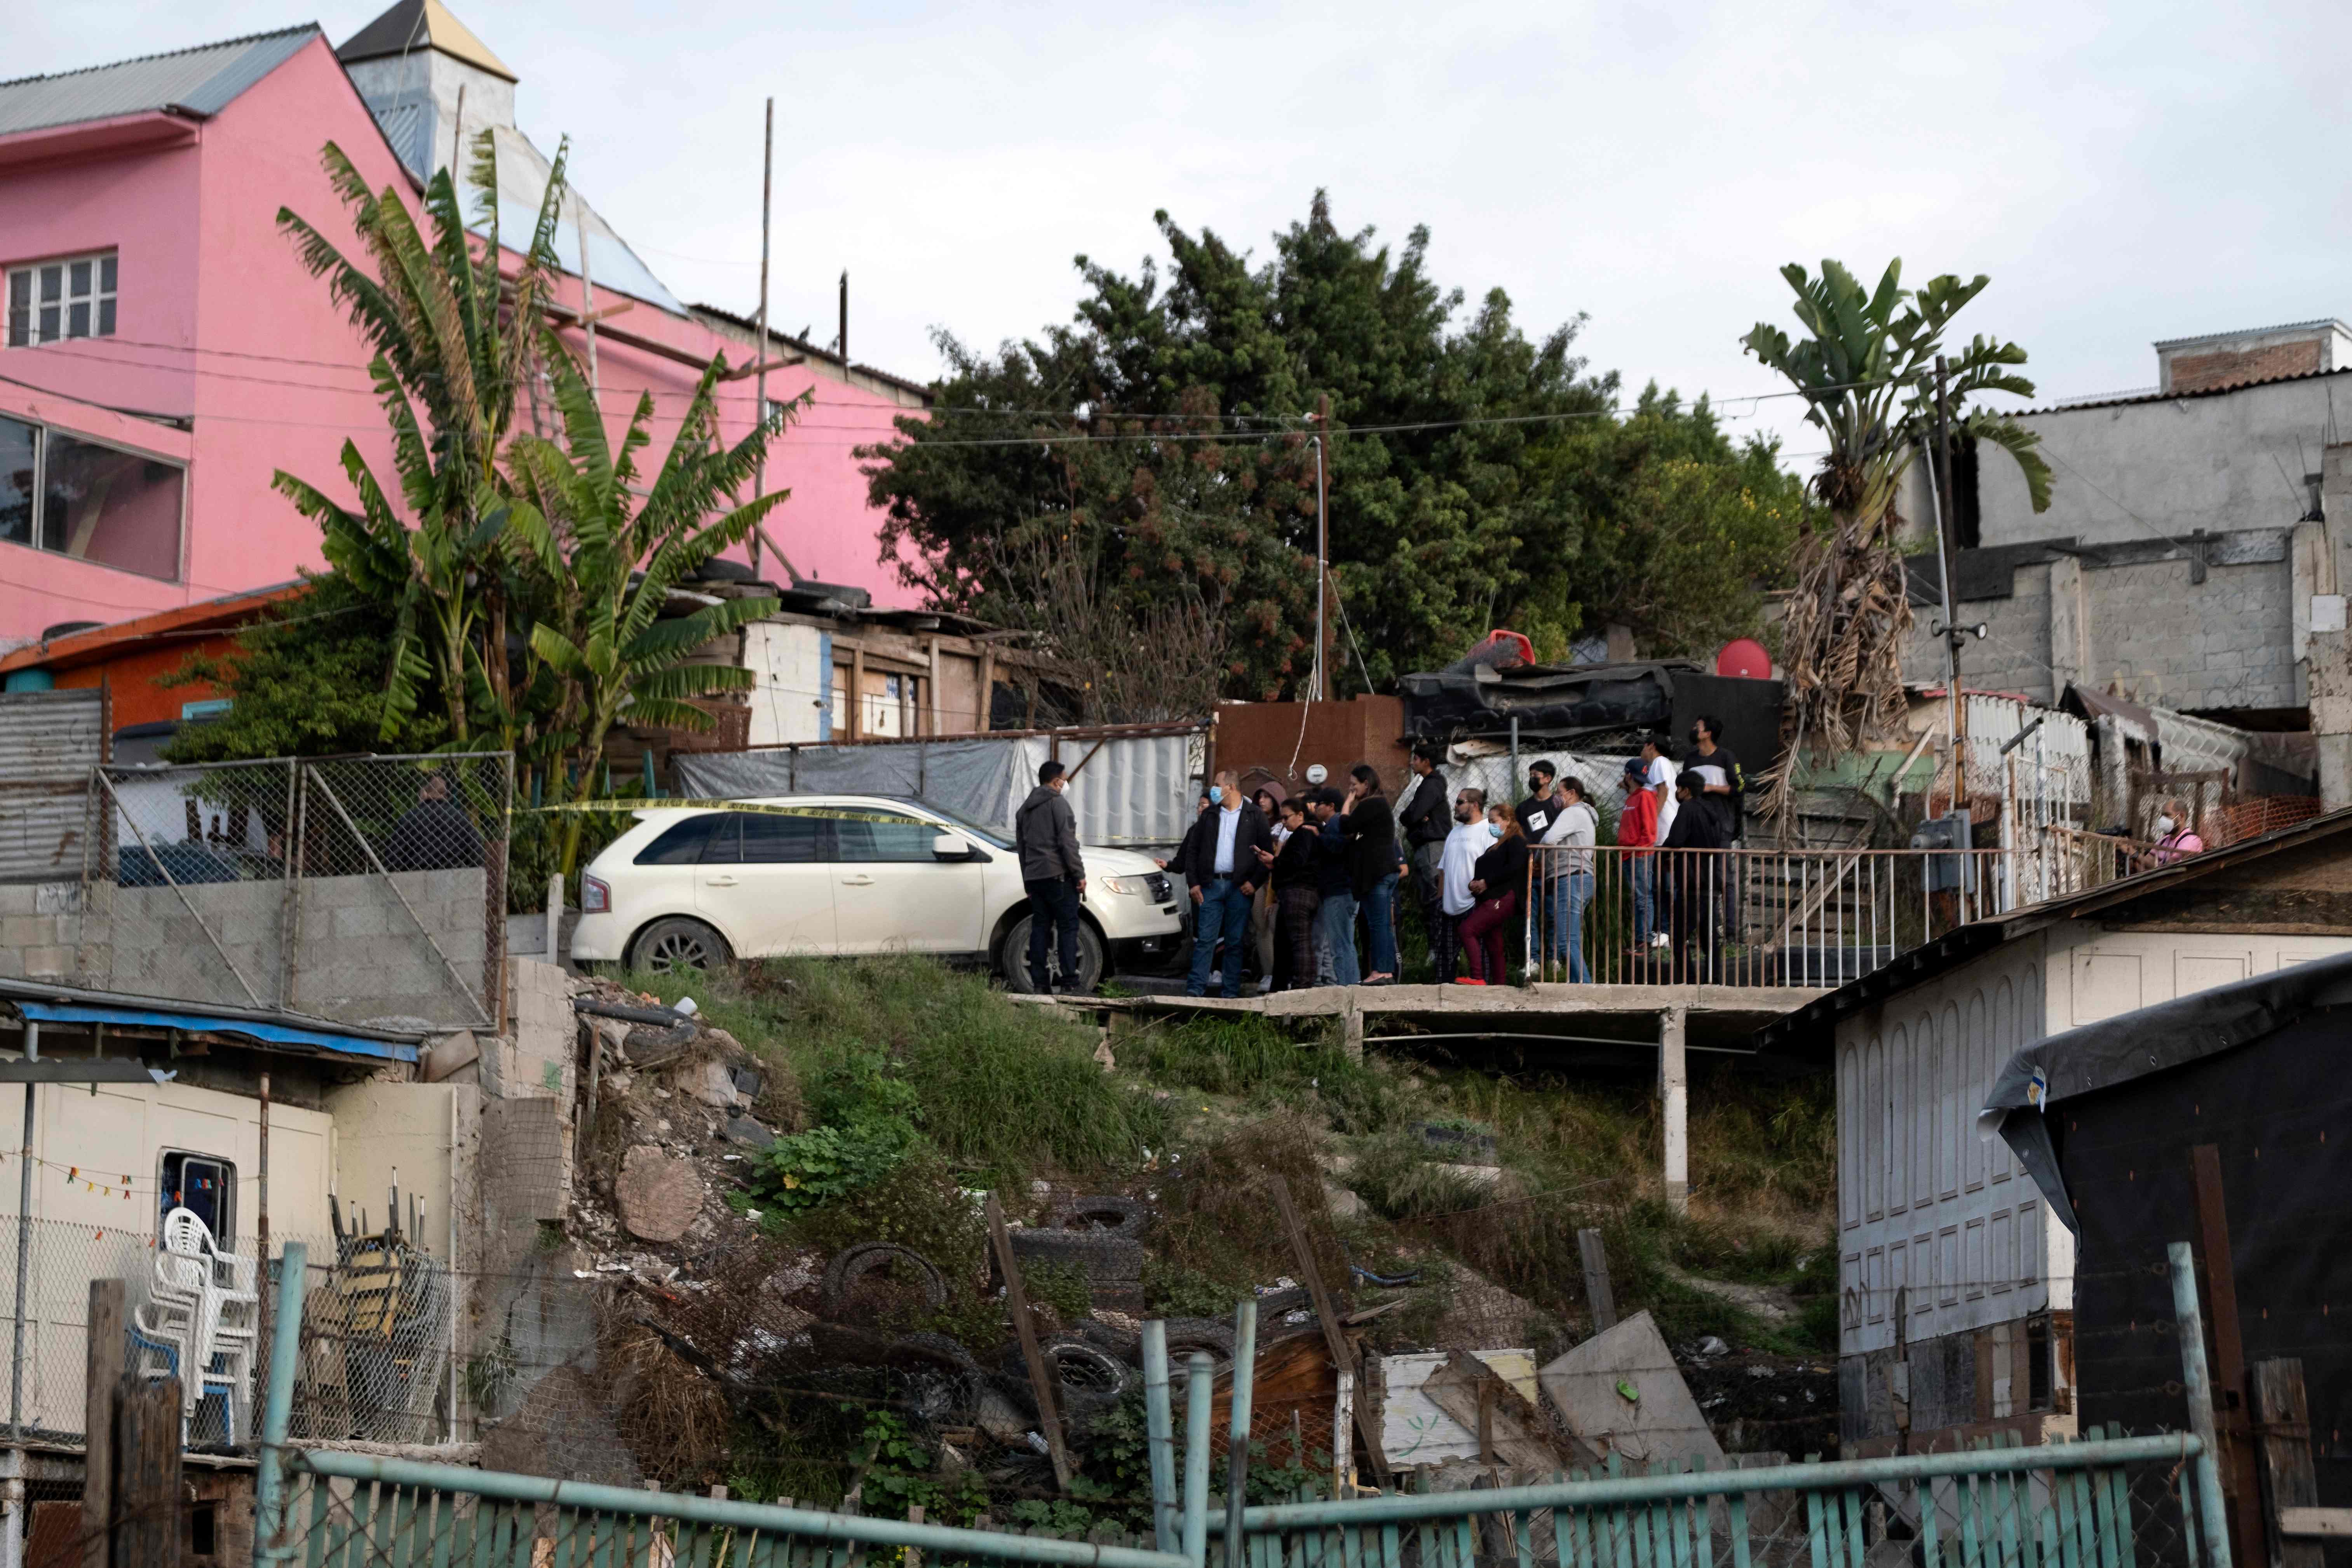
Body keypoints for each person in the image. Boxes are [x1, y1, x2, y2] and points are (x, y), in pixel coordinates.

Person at [1176, 770, 1272, 998]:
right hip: (1211, 886)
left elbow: (1267, 854)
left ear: (1230, 787)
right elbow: (1193, 850)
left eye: (1218, 785)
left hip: (1240, 888)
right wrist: (1194, 884)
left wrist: (1254, 883)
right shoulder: (1210, 815)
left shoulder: (1254, 816)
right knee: (1205, 940)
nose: (1214, 789)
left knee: (1235, 941)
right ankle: (1195, 991)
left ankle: (1230, 993)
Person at [1014, 760, 1087, 992]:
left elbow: (1022, 848)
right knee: (1067, 928)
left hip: (1036, 879)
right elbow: (1068, 844)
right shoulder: (1058, 804)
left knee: (1040, 930)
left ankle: (1040, 985)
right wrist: (1079, 874)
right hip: (1059, 877)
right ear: (1056, 782)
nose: (1066, 784)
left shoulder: (1024, 810)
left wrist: (1028, 880)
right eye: (1065, 780)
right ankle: (1070, 984)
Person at [1658, 773, 1727, 981]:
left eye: (1678, 789)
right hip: (1711, 880)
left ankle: (1689, 981)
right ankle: (1714, 982)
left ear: (1686, 790)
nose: (1677, 793)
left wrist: (1662, 850)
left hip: (1692, 882)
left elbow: (1677, 839)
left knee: (1678, 937)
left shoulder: (1687, 809)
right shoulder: (1711, 811)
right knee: (1709, 937)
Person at [1683, 715, 1744, 946]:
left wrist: (1711, 788)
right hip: (1696, 827)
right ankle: (1705, 931)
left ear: (1708, 733)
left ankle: (1730, 932)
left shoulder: (1726, 756)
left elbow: (1740, 787)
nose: (1693, 730)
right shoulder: (1690, 759)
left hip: (1721, 827)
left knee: (1724, 878)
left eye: (1697, 727)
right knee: (1698, 880)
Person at [1456, 801, 1528, 986]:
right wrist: (1475, 883)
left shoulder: (1516, 842)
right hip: (1490, 897)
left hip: (1502, 897)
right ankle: (1499, 985)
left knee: (1467, 929)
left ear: (1508, 820)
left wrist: (1486, 882)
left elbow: (1514, 868)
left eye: (1494, 821)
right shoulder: (1498, 845)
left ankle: (1477, 976)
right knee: (1493, 943)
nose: (1491, 825)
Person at [1344, 764, 1401, 983]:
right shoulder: (1379, 805)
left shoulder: (1371, 803)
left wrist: (1347, 804)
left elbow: (1346, 826)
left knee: (1378, 924)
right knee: (1382, 923)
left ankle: (1381, 972)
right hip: (1383, 873)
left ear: (1366, 784)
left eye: (1354, 785)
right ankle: (1385, 972)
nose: (1352, 790)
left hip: (1377, 875)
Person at [1259, 797, 1322, 990]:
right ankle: (1282, 986)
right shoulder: (1303, 835)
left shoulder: (1304, 834)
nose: (1284, 823)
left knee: (1300, 942)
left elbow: (1298, 861)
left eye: (1287, 818)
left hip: (1299, 893)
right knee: (1285, 943)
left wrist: (1275, 861)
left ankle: (1302, 987)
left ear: (1300, 815)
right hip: (1293, 893)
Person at [1431, 788, 1486, 983]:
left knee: (1479, 957)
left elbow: (1494, 866)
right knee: (1444, 961)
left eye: (1460, 802)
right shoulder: (1454, 832)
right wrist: (1440, 901)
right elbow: (1443, 870)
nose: (1455, 806)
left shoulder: (1488, 829)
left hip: (1474, 905)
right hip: (1448, 906)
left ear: (1475, 805)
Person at [384, 771, 484, 872]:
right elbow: (476, 853)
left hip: (416, 874)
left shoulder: (409, 818)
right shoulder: (460, 818)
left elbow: (393, 857)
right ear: (447, 795)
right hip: (453, 874)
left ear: (424, 793)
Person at [1397, 742, 1451, 927]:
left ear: (1426, 762)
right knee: (1427, 894)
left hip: (1432, 846)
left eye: (1416, 759)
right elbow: (1409, 815)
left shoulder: (1432, 785)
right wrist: (1414, 816)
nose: (1412, 763)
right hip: (1426, 846)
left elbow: (1414, 814)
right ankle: (1436, 944)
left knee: (1434, 893)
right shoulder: (1428, 785)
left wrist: (1415, 817)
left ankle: (1441, 944)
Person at [1309, 789, 1359, 986]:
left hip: (1339, 891)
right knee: (1343, 943)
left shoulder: (1336, 823)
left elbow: (1339, 847)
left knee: (1340, 945)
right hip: (1342, 891)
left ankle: (1348, 989)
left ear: (1331, 806)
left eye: (1320, 803)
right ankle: (1351, 985)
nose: (1316, 807)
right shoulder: (1332, 826)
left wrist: (1319, 836)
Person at [1618, 757, 1661, 952]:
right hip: (1630, 854)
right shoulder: (1633, 796)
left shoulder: (1645, 796)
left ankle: (1645, 939)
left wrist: (1640, 853)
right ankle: (1640, 939)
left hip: (1639, 854)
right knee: (1639, 897)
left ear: (1629, 775)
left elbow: (1650, 830)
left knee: (1643, 897)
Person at [1250, 786, 1286, 990]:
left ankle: (1279, 975)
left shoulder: (1285, 825)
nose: (1262, 801)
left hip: (1276, 884)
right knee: (1261, 927)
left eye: (1267, 797)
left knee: (1275, 927)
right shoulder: (1254, 824)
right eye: (1260, 797)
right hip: (1257, 882)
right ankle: (1268, 973)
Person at [2138, 798, 2207, 868]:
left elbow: (2168, 868)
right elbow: (2146, 862)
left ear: (2181, 817)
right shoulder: (2164, 840)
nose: (2162, 819)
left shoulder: (2192, 840)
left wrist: (2134, 853)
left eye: (2167, 815)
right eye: (2162, 816)